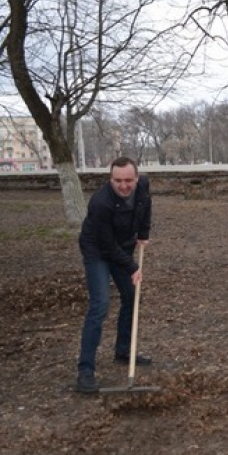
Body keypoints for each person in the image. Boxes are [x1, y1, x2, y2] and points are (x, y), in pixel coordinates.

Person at [76, 157, 152, 393]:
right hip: (98, 250)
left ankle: (122, 351)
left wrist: (143, 232)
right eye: (118, 181)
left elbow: (146, 205)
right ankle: (85, 371)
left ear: (136, 178)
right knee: (100, 304)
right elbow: (107, 247)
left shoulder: (143, 187)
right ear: (110, 180)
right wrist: (132, 267)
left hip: (124, 245)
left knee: (132, 297)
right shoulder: (100, 203)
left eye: (128, 180)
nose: (123, 186)